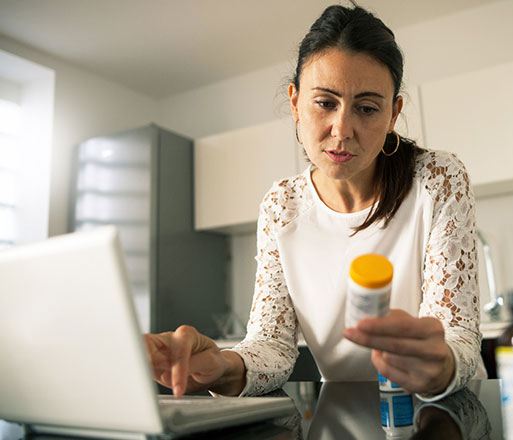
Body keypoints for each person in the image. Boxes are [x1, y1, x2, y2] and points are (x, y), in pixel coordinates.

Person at [145, 3, 486, 401]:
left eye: (367, 108)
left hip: (448, 407)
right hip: (343, 414)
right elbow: (270, 345)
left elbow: (457, 331)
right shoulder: (281, 206)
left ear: (393, 115)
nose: (342, 131)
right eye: (325, 103)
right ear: (295, 103)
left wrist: (441, 363)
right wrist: (223, 364)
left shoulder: (437, 179)